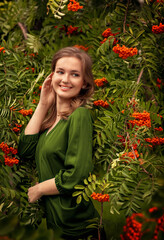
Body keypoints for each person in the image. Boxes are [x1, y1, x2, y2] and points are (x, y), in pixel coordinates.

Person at [18, 47, 106, 240]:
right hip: (56, 226)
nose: (65, 80)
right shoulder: (51, 124)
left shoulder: (80, 116)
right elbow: (24, 152)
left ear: (84, 83)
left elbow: (77, 174)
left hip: (78, 227)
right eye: (60, 72)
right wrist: (43, 104)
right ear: (52, 76)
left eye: (74, 74)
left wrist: (40, 189)